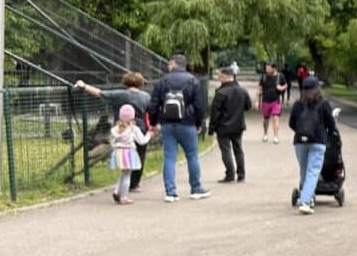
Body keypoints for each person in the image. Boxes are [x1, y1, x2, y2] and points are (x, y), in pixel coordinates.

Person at [73, 71, 151, 191]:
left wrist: (84, 85)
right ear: (141, 83)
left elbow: (99, 93)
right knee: (139, 155)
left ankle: (125, 178)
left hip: (121, 129)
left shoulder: (119, 94)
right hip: (139, 128)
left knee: (124, 153)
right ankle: (134, 183)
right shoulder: (146, 96)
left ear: (125, 82)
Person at [147, 52, 209, 202]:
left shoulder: (162, 81)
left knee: (169, 157)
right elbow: (199, 105)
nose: (168, 66)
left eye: (169, 64)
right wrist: (200, 122)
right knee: (192, 156)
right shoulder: (193, 81)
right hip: (187, 123)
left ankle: (170, 192)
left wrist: (154, 123)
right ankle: (195, 189)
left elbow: (153, 105)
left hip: (167, 124)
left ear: (174, 64)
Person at [289, 77, 338, 214]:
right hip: (318, 141)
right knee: (313, 171)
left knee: (304, 171)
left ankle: (308, 197)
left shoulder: (298, 104)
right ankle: (305, 201)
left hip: (300, 142)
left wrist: (302, 132)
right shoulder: (324, 104)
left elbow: (292, 123)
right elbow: (331, 125)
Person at [208, 65, 253, 183]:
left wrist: (211, 128)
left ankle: (230, 174)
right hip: (238, 125)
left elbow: (215, 113)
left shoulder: (221, 93)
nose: (218, 78)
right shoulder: (242, 91)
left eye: (219, 76)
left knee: (226, 150)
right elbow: (248, 106)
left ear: (224, 77)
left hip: (223, 127)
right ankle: (241, 174)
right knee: (238, 149)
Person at [107, 103, 150, 205]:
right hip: (129, 153)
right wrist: (149, 134)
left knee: (123, 173)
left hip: (118, 153)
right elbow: (142, 141)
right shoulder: (133, 129)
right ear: (133, 116)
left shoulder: (115, 129)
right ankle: (124, 197)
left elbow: (112, 143)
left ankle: (117, 190)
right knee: (127, 176)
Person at [259, 61, 288, 142]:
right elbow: (259, 88)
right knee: (266, 119)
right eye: (266, 68)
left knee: (275, 118)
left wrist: (281, 88)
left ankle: (276, 136)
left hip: (276, 101)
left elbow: (286, 85)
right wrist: (258, 101)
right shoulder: (263, 77)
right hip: (265, 101)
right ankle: (265, 133)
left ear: (274, 68)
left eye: (268, 68)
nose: (267, 70)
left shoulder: (280, 76)